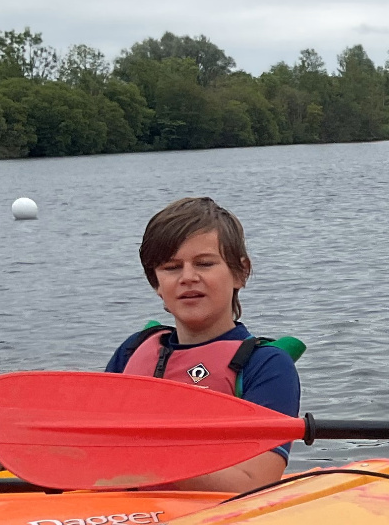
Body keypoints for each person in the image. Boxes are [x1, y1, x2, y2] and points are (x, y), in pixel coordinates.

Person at [105, 196, 301, 492]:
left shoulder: (267, 366)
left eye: (205, 264)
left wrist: (141, 463)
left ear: (240, 272)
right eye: (171, 268)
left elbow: (255, 481)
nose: (188, 277)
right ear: (156, 283)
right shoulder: (133, 351)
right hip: (121, 515)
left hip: (210, 522)